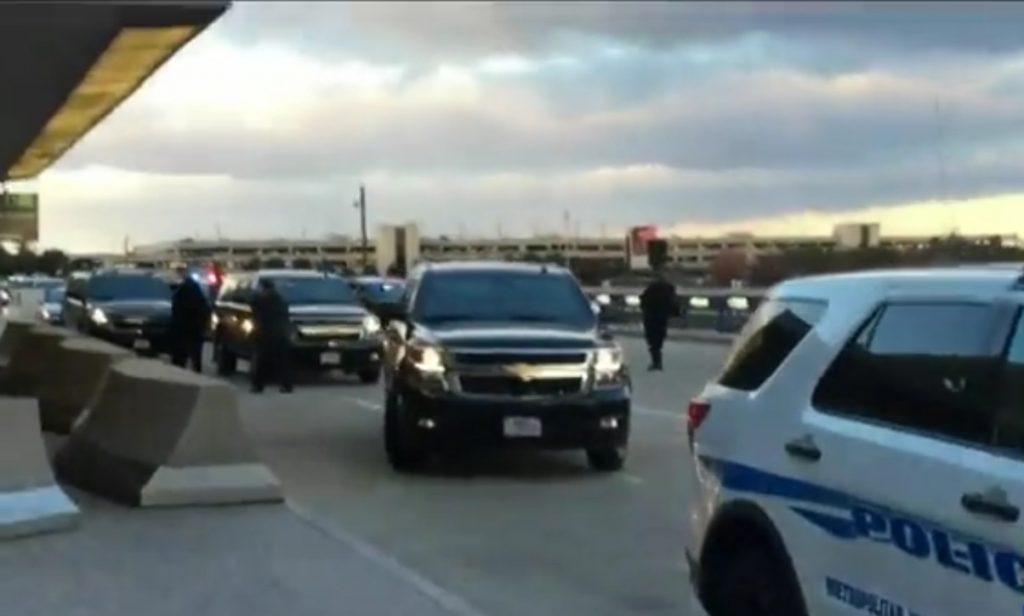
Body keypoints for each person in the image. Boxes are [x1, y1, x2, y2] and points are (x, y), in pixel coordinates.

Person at [250, 278, 293, 393]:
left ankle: (258, 385)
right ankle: (286, 385)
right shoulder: (281, 299)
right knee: (282, 361)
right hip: (281, 332)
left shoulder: (261, 299)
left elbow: (254, 309)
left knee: (262, 361)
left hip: (266, 333)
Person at [170, 270, 211, 373]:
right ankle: (196, 370)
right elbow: (205, 311)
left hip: (182, 329)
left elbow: (175, 310)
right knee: (196, 355)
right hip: (196, 329)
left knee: (180, 355)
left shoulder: (180, 295)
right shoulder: (199, 299)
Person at [639, 268, 678, 371]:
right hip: (662, 317)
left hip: (651, 317)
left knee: (652, 341)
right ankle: (657, 361)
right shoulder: (669, 288)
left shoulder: (651, 289)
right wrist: (674, 313)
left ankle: (656, 361)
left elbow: (643, 302)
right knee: (659, 339)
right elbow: (673, 302)